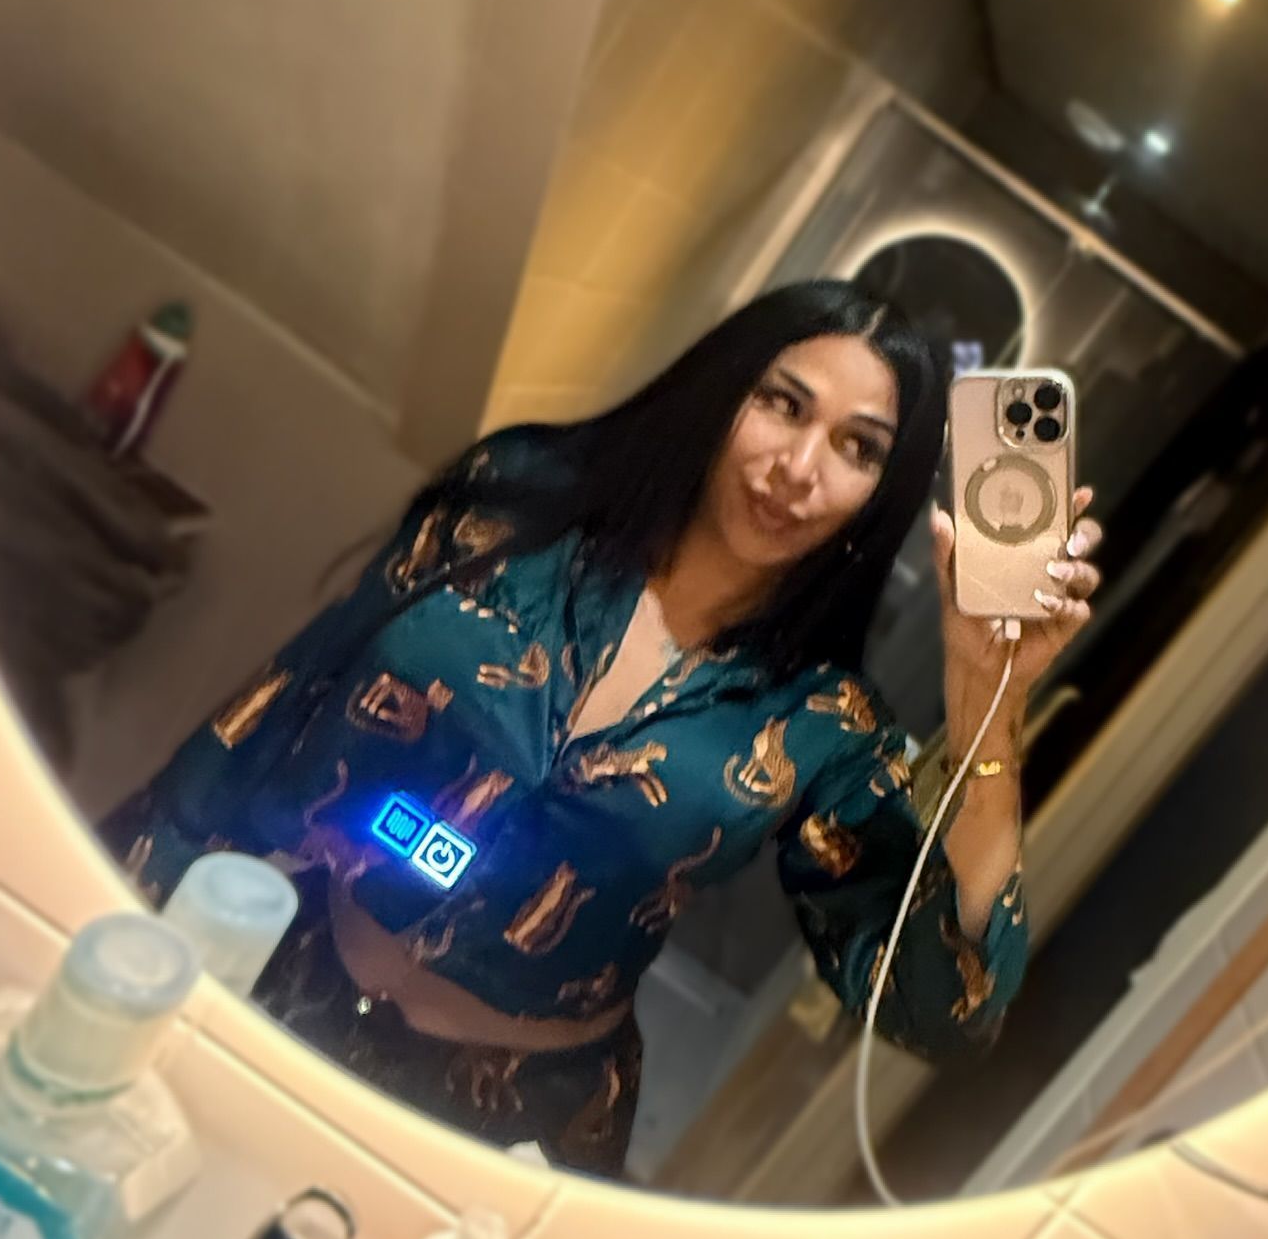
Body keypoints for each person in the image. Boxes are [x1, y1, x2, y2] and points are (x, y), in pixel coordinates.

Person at [104, 283, 1101, 1178]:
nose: (798, 468)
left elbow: (944, 1009)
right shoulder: (519, 504)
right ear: (724, 388)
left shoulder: (821, 722)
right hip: (281, 979)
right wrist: (125, 900)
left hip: (495, 1132)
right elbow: (285, 702)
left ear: (884, 494)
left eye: (858, 449)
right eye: (782, 403)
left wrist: (993, 707)